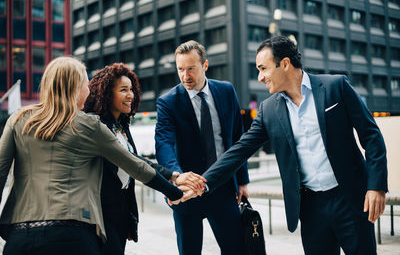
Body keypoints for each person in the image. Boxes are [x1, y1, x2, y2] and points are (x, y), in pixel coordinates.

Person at [200, 36, 388, 255]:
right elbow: (239, 151)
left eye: (263, 68)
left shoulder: (336, 87)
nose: (260, 77)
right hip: (311, 209)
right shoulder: (268, 110)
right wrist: (203, 182)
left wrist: (376, 186)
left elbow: (371, 136)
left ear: (286, 64)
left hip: (350, 200)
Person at [0, 57, 190, 255]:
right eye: (85, 84)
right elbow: (136, 166)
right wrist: (176, 193)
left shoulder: (19, 119)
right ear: (75, 87)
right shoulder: (89, 125)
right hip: (73, 236)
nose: (88, 90)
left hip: (21, 237)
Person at [84, 63, 205, 255]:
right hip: (100, 214)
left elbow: (136, 160)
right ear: (107, 93)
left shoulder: (121, 125)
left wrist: (130, 218)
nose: (130, 95)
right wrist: (175, 185)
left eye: (132, 89)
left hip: (119, 214)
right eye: (123, 90)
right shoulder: (96, 125)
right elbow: (135, 164)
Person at [155, 40, 249, 255]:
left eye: (191, 68)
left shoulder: (226, 91)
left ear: (205, 66)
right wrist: (177, 177)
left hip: (223, 188)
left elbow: (237, 139)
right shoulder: (167, 102)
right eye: (180, 69)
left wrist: (242, 180)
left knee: (236, 249)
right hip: (186, 192)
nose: (185, 75)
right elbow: (164, 144)